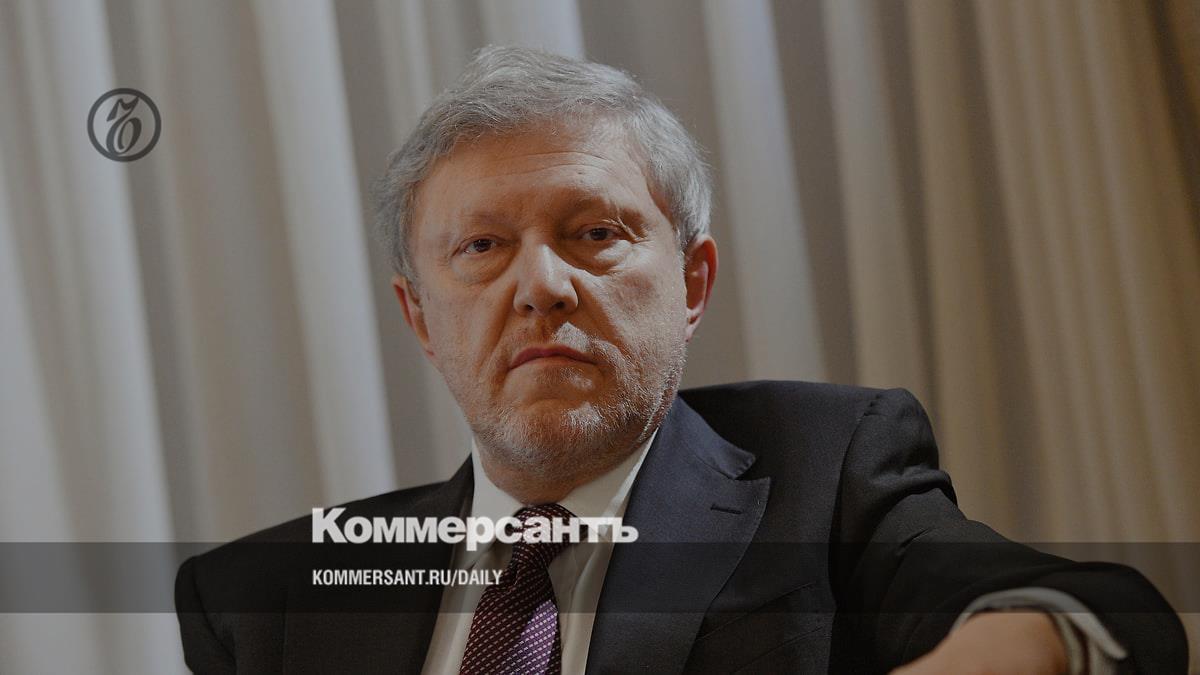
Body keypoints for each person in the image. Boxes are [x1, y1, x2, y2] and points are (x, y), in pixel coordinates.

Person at [175, 46, 1187, 674]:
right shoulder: (263, 600)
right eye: (481, 246)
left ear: (693, 283)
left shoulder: (830, 473)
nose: (541, 285)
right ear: (419, 319)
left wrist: (1012, 646)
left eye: (595, 233)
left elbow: (1098, 613)